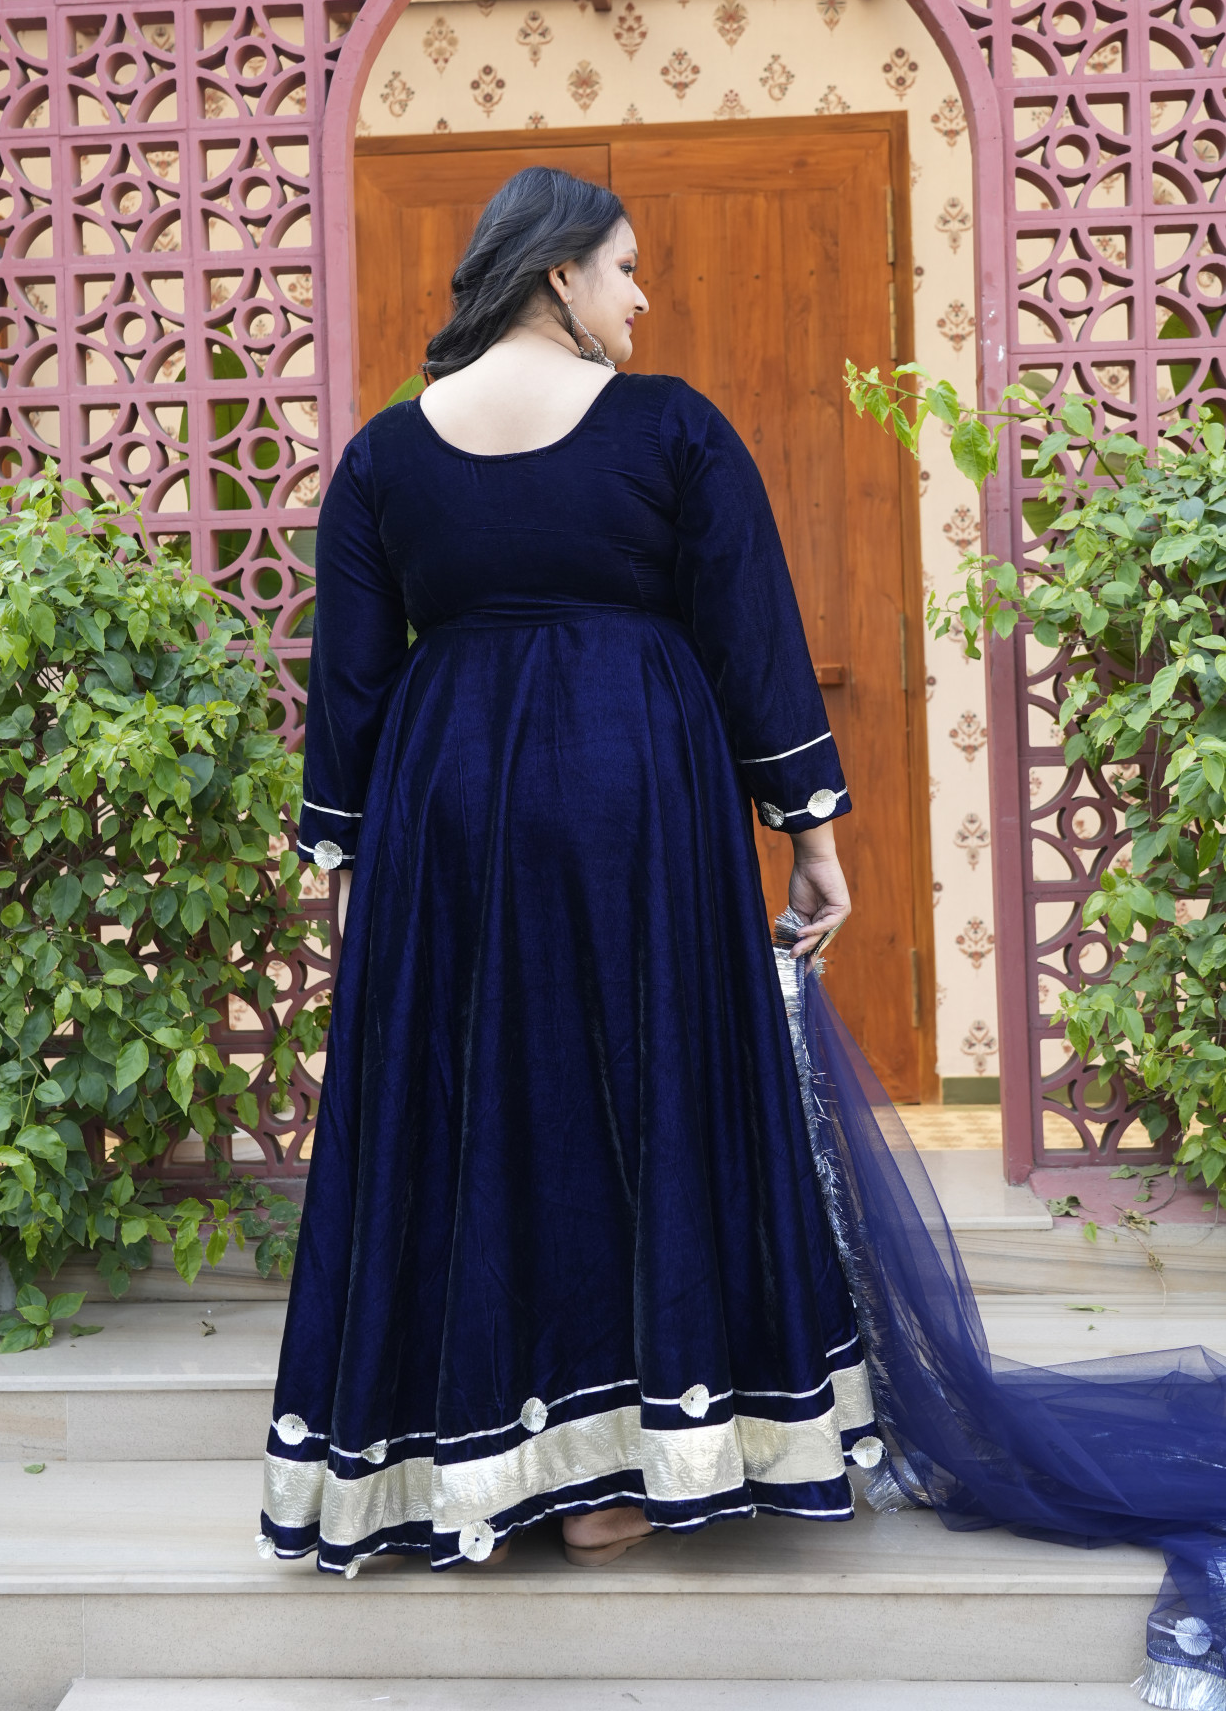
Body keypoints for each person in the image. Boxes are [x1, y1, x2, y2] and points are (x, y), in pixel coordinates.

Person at [259, 165, 879, 1574]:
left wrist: (351, 875)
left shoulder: (382, 457)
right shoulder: (671, 428)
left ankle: (473, 1462)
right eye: (625, 268)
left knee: (480, 1108)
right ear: (559, 273)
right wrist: (811, 834)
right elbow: (752, 637)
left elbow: (348, 691)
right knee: (643, 1092)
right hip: (634, 793)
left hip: (447, 811)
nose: (641, 297)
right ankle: (641, 1465)